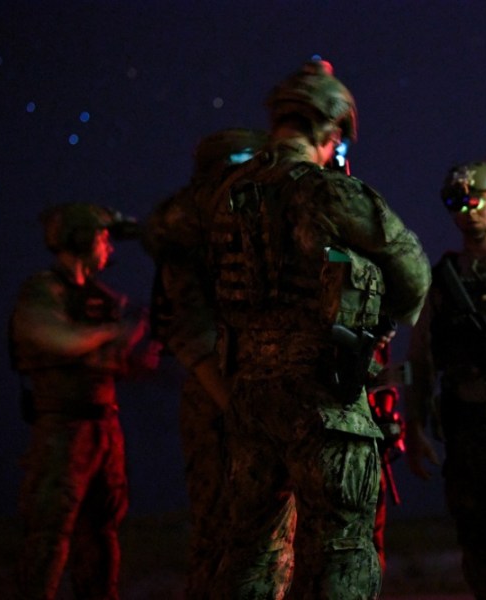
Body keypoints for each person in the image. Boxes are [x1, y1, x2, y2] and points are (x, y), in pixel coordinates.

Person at [205, 58, 431, 599]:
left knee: (252, 555)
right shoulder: (327, 191)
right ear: (332, 131)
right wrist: (373, 318)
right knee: (341, 555)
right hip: (324, 395)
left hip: (250, 397)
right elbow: (414, 278)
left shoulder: (224, 196)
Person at [404, 160, 486, 600]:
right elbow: (422, 355)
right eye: (453, 202)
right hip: (466, 430)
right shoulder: (443, 279)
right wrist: (416, 424)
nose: (464, 210)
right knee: (481, 552)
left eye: (472, 199)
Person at [143, 128, 268, 598]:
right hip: (219, 398)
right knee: (218, 533)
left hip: (251, 392)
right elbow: (192, 337)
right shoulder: (188, 235)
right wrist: (237, 406)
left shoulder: (244, 230)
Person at [9, 202, 150, 599]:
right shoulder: (43, 291)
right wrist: (111, 334)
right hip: (62, 431)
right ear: (82, 239)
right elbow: (54, 338)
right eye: (102, 237)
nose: (109, 247)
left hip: (103, 427)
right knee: (49, 535)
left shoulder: (100, 298)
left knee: (101, 531)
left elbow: (129, 358)